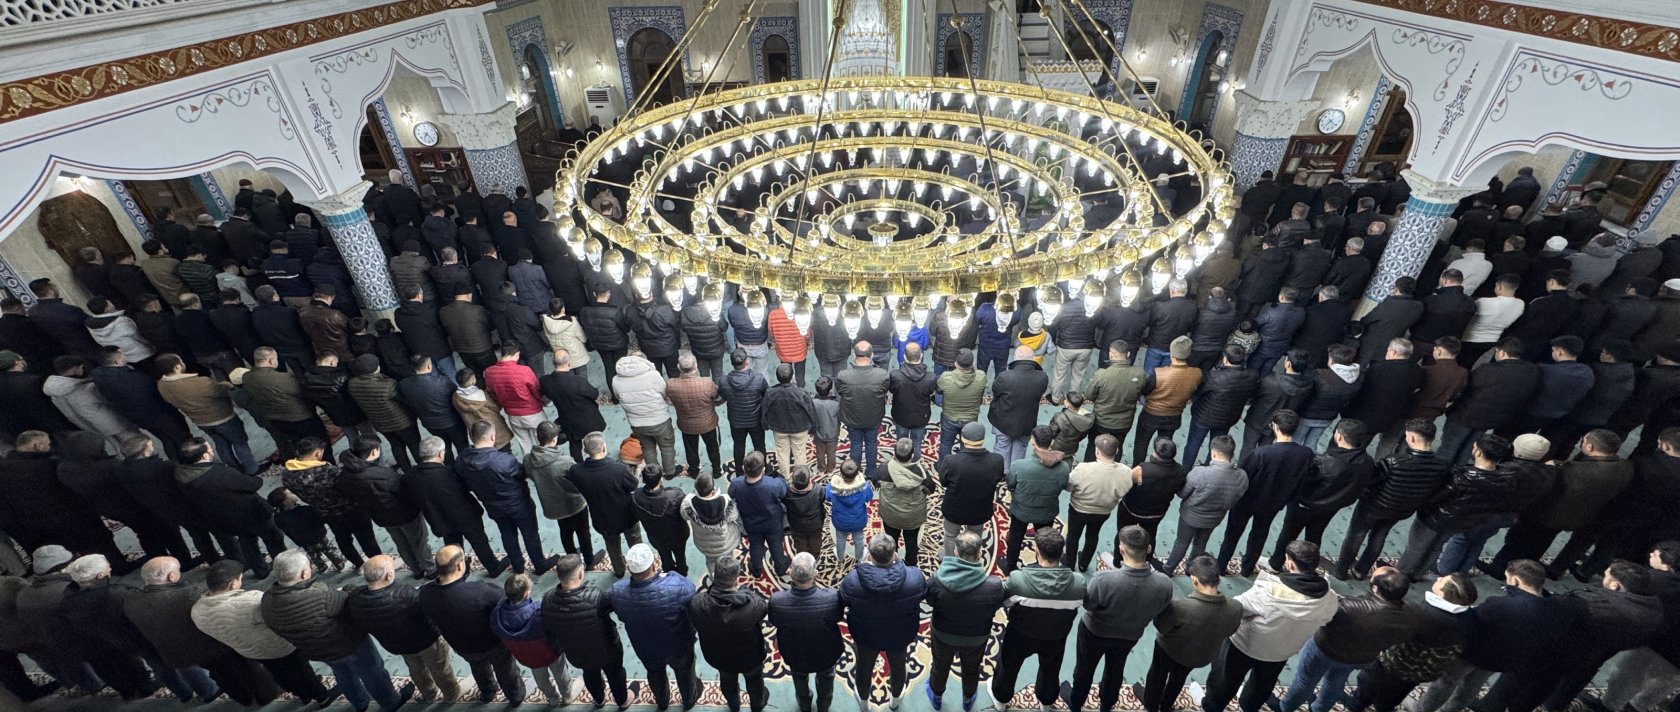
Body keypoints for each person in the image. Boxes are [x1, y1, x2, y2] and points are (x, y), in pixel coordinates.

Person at [261, 550, 413, 711]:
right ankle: (391, 702)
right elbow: (348, 603)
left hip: (316, 650)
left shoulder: (267, 601)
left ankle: (360, 703)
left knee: (343, 674)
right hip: (350, 644)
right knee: (373, 673)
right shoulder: (321, 595)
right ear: (304, 573)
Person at [1200, 541, 1340, 712]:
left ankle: (1213, 707)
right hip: (1279, 653)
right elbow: (1325, 620)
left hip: (1244, 646)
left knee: (1223, 681)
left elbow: (1236, 609)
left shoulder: (1269, 592)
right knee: (1261, 687)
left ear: (1289, 563)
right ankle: (1249, 706)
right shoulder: (1329, 598)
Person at [189, 559, 334, 703]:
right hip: (281, 646)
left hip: (250, 651)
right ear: (233, 584)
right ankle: (322, 696)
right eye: (240, 579)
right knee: (301, 670)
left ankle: (302, 695)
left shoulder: (197, 611)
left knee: (279, 674)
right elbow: (277, 617)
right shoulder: (251, 601)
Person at [1278, 567, 1417, 712]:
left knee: (1305, 681)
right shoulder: (1411, 616)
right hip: (1362, 658)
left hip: (1325, 650)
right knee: (1335, 683)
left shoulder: (1348, 606)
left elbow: (1321, 617)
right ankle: (1319, 709)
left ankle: (1286, 707)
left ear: (1375, 588)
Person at [1332, 419, 1452, 580]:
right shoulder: (1442, 465)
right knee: (1379, 537)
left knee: (1356, 536)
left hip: (1373, 506)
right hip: (1403, 509)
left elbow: (1371, 480)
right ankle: (1361, 570)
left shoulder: (1395, 462)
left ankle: (1341, 570)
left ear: (1413, 438)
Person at [1068, 525, 1171, 712]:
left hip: (1095, 632)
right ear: (1148, 549)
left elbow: (1089, 604)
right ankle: (1106, 704)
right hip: (1130, 635)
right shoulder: (1164, 584)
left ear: (1121, 549)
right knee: (1115, 670)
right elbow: (1161, 608)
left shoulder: (1103, 579)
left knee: (1084, 669)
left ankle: (1076, 703)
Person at [1346, 573, 1477, 712]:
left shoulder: (1419, 613)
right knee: (1392, 699)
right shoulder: (1469, 617)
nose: (1438, 579)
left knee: (1365, 690)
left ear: (1446, 594)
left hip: (1392, 666)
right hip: (1420, 673)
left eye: (1442, 581)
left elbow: (1391, 635)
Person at [417, 546, 525, 703]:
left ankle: (488, 692)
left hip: (462, 645)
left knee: (478, 669)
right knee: (506, 671)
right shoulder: (481, 592)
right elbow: (506, 606)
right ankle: (515, 696)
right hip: (494, 644)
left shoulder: (426, 593)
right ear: (460, 565)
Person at [345, 556, 460, 703]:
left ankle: (429, 694)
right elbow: (430, 613)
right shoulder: (406, 595)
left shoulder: (355, 598)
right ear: (389, 575)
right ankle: (451, 695)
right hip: (427, 641)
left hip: (397, 644)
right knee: (440, 668)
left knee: (416, 670)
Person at [1138, 555, 1243, 712]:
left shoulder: (1180, 607)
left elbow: (1161, 626)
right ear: (1218, 579)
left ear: (1194, 580)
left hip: (1168, 650)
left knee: (1157, 675)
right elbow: (1231, 630)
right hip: (1199, 656)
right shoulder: (1235, 607)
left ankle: (1151, 705)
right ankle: (1166, 705)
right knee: (1178, 679)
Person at [173, 437, 287, 578]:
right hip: (251, 513)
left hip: (226, 518)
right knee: (273, 537)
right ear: (205, 455)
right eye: (210, 448)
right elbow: (252, 484)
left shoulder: (181, 475)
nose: (212, 450)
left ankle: (261, 570)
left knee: (247, 542)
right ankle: (285, 566)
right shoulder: (218, 473)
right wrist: (257, 479)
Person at [1219, 410, 1314, 576]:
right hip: (1274, 503)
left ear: (1276, 428)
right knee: (1259, 535)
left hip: (1247, 501)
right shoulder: (1306, 454)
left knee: (1232, 534)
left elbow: (1243, 476)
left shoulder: (1261, 453)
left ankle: (1221, 566)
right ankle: (1247, 568)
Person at [1268, 421, 1373, 570]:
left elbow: (1301, 481)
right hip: (1331, 507)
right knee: (1315, 535)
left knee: (1288, 533)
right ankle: (1309, 565)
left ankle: (1276, 563)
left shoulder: (1324, 463)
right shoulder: (1367, 462)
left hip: (1304, 505)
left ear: (1339, 436)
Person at [457, 420, 554, 575]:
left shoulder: (462, 460)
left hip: (493, 506)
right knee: (530, 534)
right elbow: (521, 474)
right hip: (518, 504)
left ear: (471, 436)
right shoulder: (503, 460)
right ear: (492, 436)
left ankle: (518, 566)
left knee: (507, 534)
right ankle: (539, 564)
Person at [611, 543, 701, 711]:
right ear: (654, 565)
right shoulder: (675, 585)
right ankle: (689, 700)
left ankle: (662, 702)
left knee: (655, 674)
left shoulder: (617, 592)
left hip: (645, 647)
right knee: (685, 672)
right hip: (679, 645)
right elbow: (692, 593)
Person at [842, 534, 928, 711]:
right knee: (898, 666)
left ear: (869, 556)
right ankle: (895, 700)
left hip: (866, 635)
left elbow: (843, 600)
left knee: (864, 668)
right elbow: (922, 596)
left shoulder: (853, 580)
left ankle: (864, 702)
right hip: (900, 634)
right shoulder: (915, 577)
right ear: (894, 554)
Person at [923, 531, 1005, 712]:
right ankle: (968, 699)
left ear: (956, 553)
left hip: (943, 635)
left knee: (940, 666)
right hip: (976, 637)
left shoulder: (935, 582)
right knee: (972, 667)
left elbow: (930, 601)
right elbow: (996, 606)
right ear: (980, 553)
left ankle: (936, 696)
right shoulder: (994, 586)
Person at [406, 437, 506, 576]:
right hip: (466, 516)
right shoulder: (448, 473)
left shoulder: (411, 477)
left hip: (440, 520)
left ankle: (459, 571)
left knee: (452, 546)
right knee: (480, 543)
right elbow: (466, 487)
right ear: (441, 454)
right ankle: (493, 568)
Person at [542, 553, 631, 709]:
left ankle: (599, 699)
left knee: (589, 673)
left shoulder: (548, 600)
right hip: (607, 649)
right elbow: (614, 607)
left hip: (576, 652)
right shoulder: (596, 596)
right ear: (581, 573)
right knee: (615, 673)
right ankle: (622, 700)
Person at [337, 439, 436, 578]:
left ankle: (416, 570)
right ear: (373, 451)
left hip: (381, 516)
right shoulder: (384, 475)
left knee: (401, 544)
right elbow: (404, 492)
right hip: (405, 514)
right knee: (419, 542)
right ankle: (431, 570)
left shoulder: (345, 475)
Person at [280, 436, 381, 567]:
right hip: (352, 509)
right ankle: (378, 563)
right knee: (367, 539)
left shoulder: (287, 475)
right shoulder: (327, 471)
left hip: (326, 513)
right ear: (317, 453)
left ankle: (358, 564)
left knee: (343, 540)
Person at [688, 556, 770, 712]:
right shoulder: (751, 606)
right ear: (737, 578)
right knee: (755, 683)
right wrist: (746, 592)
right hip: (750, 657)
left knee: (727, 681)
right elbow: (763, 608)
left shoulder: (697, 603)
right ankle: (757, 705)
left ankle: (733, 704)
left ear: (714, 575)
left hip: (719, 656)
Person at [769, 552, 845, 712]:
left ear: (790, 573)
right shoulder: (832, 597)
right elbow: (838, 617)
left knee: (799, 679)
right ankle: (823, 706)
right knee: (826, 679)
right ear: (815, 574)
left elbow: (774, 622)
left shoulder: (776, 601)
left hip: (795, 654)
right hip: (826, 654)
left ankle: (804, 705)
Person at [570, 431, 645, 577]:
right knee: (635, 542)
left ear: (585, 450)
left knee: (612, 546)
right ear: (604, 447)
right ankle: (640, 569)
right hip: (627, 515)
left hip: (602, 518)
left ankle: (619, 570)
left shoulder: (576, 471)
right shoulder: (619, 469)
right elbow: (633, 485)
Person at [491, 573, 572, 704]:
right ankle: (567, 695)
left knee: (541, 679)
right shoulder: (540, 611)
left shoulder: (497, 616)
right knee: (561, 674)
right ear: (526, 594)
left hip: (527, 657)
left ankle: (552, 698)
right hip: (551, 652)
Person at [1003, 426, 1071, 573]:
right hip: (1047, 512)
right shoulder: (1063, 467)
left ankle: (1010, 566)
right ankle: (1041, 567)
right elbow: (1064, 485)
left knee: (1015, 538)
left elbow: (1010, 484)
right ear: (1051, 442)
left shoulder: (1019, 466)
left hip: (1021, 511)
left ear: (1033, 443)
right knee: (1044, 542)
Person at [1183, 345, 1259, 466]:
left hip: (1203, 415)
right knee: (1218, 446)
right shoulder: (1252, 376)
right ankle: (1209, 466)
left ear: (1225, 359)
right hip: (1228, 417)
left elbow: (1199, 392)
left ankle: (1185, 469)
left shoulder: (1215, 376)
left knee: (1193, 443)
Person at [939, 422, 1004, 555]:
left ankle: (950, 560)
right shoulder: (997, 461)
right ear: (983, 439)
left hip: (954, 510)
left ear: (962, 439)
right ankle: (972, 558)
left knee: (950, 536)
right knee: (976, 535)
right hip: (980, 510)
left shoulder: (951, 461)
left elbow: (943, 482)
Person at [615, 349, 679, 474]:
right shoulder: (653, 376)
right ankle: (670, 472)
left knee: (647, 448)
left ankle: (653, 473)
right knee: (667, 447)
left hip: (637, 423)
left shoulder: (616, 380)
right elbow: (665, 393)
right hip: (659, 419)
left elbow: (618, 397)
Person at [729, 451, 789, 577]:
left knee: (755, 546)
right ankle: (780, 567)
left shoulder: (736, 484)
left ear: (743, 469)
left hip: (751, 524)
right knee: (776, 545)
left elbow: (731, 494)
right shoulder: (774, 484)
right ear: (763, 469)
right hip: (773, 523)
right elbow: (784, 492)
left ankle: (756, 569)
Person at [541, 349, 608, 462]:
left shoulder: (545, 381)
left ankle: (578, 464)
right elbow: (594, 394)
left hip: (567, 420)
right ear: (569, 363)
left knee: (574, 444)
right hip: (588, 419)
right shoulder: (578, 382)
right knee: (596, 442)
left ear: (554, 363)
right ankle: (599, 461)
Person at [876, 437, 934, 568]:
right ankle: (911, 566)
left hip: (890, 515)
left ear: (894, 453)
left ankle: (892, 564)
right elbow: (931, 490)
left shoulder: (884, 469)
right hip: (913, 517)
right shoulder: (921, 472)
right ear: (912, 454)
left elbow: (876, 483)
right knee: (911, 542)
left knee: (891, 541)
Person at [836, 341, 891, 477]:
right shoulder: (882, 375)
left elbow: (839, 392)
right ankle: (871, 473)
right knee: (871, 443)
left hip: (852, 418)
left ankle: (854, 474)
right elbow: (885, 391)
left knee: (855, 444)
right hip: (873, 418)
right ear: (871, 355)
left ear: (854, 354)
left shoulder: (843, 376)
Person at [990, 345, 1050, 465]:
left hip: (1003, 421)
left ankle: (1002, 472)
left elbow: (995, 392)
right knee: (1020, 447)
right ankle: (1015, 472)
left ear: (1015, 358)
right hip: (1027, 422)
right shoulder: (1042, 377)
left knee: (1002, 446)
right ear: (1033, 358)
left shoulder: (1004, 376)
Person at [668, 352, 723, 475]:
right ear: (696, 366)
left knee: (691, 449)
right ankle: (717, 470)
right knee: (712, 448)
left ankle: (693, 471)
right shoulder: (706, 382)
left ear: (678, 367)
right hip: (707, 423)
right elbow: (716, 396)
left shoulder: (671, 384)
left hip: (686, 424)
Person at [634, 466, 690, 575]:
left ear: (643, 480)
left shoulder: (636, 496)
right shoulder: (675, 494)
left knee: (664, 556)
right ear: (661, 479)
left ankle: (669, 572)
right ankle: (683, 572)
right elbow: (686, 512)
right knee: (680, 555)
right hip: (678, 536)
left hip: (656, 537)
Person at [721, 348, 769, 470]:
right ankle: (763, 469)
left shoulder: (724, 381)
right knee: (760, 447)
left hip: (736, 421)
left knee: (738, 447)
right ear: (747, 361)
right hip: (755, 421)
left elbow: (723, 396)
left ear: (732, 363)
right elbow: (766, 395)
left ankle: (739, 471)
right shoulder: (759, 379)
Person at [935, 349, 987, 461]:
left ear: (956, 363)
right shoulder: (981, 377)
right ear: (972, 364)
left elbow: (939, 390)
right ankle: (964, 467)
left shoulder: (946, 377)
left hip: (949, 417)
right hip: (970, 419)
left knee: (945, 444)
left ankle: (943, 468)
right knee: (967, 447)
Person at [826, 459, 874, 561]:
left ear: (841, 474)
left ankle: (840, 556)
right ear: (857, 474)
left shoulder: (833, 487)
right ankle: (859, 556)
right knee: (859, 539)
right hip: (858, 521)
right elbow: (869, 497)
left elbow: (828, 497)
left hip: (840, 521)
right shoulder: (864, 486)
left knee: (840, 539)